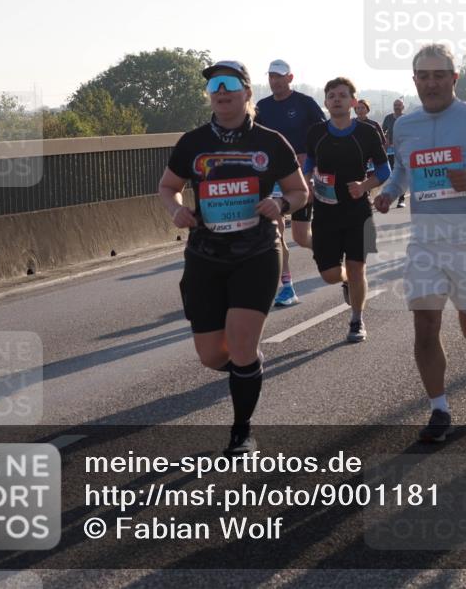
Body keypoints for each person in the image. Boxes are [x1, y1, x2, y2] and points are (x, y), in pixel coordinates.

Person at [159, 59, 309, 454]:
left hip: (256, 253)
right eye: (214, 87)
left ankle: (242, 431)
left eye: (229, 84)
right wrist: (176, 209)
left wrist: (281, 202)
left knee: (241, 347)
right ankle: (249, 371)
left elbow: (300, 191)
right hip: (206, 255)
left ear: (247, 92)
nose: (221, 92)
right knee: (212, 356)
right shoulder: (192, 143)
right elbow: (169, 186)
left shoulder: (271, 141)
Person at [374, 44, 466, 442]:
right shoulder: (405, 125)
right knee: (425, 325)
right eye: (424, 76)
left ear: (454, 79)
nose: (432, 82)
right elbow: (402, 170)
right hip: (425, 241)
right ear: (415, 80)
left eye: (440, 75)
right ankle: (439, 410)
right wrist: (388, 192)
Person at [305, 78, 388, 342]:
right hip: (325, 211)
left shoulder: (366, 132)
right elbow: (308, 168)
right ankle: (344, 281)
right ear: (326, 102)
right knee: (329, 274)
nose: (336, 99)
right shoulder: (316, 133)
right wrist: (306, 184)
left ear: (353, 101)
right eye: (331, 95)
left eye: (342, 95)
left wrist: (365, 186)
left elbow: (385, 170)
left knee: (357, 269)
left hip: (357, 211)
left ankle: (356, 320)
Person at [255, 59, 326, 306]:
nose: (274, 81)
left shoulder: (305, 103)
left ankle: (329, 254)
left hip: (300, 177)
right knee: (275, 230)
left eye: (279, 76)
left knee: (301, 237)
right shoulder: (262, 107)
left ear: (290, 78)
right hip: (272, 177)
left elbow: (323, 136)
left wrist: (313, 166)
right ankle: (287, 287)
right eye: (271, 77)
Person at [382, 98, 408, 207]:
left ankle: (401, 200)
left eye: (399, 105)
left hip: (403, 150)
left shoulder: (406, 118)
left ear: (403, 107)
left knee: (402, 172)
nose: (397, 107)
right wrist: (385, 140)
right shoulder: (388, 118)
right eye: (395, 105)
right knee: (392, 173)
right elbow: (382, 132)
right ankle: (390, 196)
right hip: (390, 150)